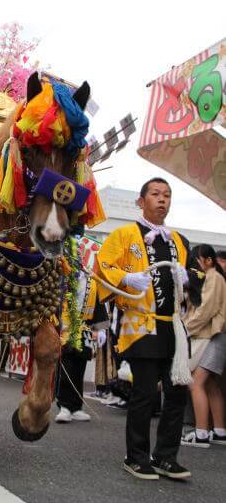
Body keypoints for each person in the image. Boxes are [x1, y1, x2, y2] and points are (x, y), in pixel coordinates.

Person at [96, 177, 191, 481]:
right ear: (141, 201)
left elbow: (187, 287)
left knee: (176, 394)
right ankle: (135, 456)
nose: (162, 199)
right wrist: (126, 279)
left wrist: (188, 279)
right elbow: (102, 266)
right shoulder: (124, 234)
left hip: (172, 327)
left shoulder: (178, 241)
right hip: (140, 324)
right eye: (155, 194)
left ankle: (165, 456)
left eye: (167, 195)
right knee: (145, 393)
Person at [182, 244, 226, 448]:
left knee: (196, 383)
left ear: (208, 261)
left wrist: (186, 329)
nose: (196, 264)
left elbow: (207, 309)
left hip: (216, 335)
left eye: (197, 260)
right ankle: (218, 431)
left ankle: (201, 433)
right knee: (210, 384)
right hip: (218, 335)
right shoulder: (215, 277)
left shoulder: (214, 277)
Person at [55, 275, 109, 422]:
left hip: (84, 330)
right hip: (65, 330)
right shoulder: (63, 278)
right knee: (67, 367)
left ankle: (76, 406)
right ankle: (64, 406)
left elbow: (99, 307)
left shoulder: (92, 282)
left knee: (80, 367)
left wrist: (101, 330)